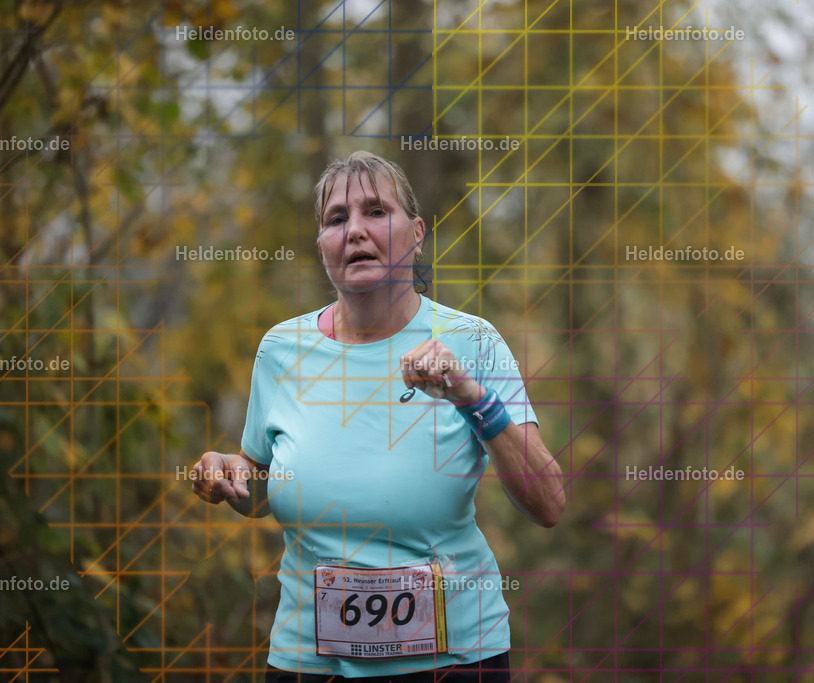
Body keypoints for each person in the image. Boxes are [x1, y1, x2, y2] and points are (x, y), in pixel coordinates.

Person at [192, 151, 565, 682]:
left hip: (456, 661)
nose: (356, 231)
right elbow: (262, 490)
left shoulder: (472, 342)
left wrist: (471, 397)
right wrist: (228, 473)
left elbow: (548, 503)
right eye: (337, 219)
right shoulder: (281, 349)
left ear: (416, 232)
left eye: (375, 212)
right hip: (307, 663)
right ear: (321, 245)